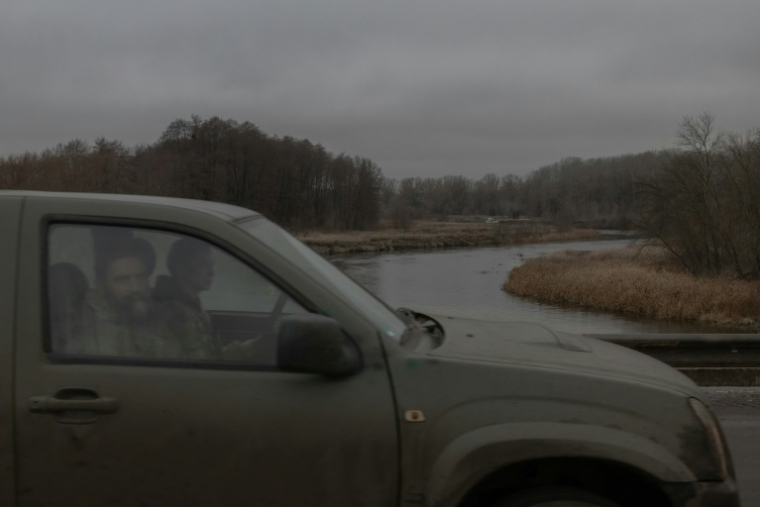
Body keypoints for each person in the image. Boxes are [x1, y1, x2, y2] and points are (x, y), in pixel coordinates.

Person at [78, 238, 178, 358]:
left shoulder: (155, 317)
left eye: (140, 277)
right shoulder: (94, 333)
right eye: (122, 279)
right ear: (102, 286)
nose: (135, 288)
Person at [153, 237, 221, 359]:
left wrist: (245, 349)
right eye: (203, 264)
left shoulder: (190, 305)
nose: (212, 272)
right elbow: (202, 366)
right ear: (181, 268)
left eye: (212, 265)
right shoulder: (175, 312)